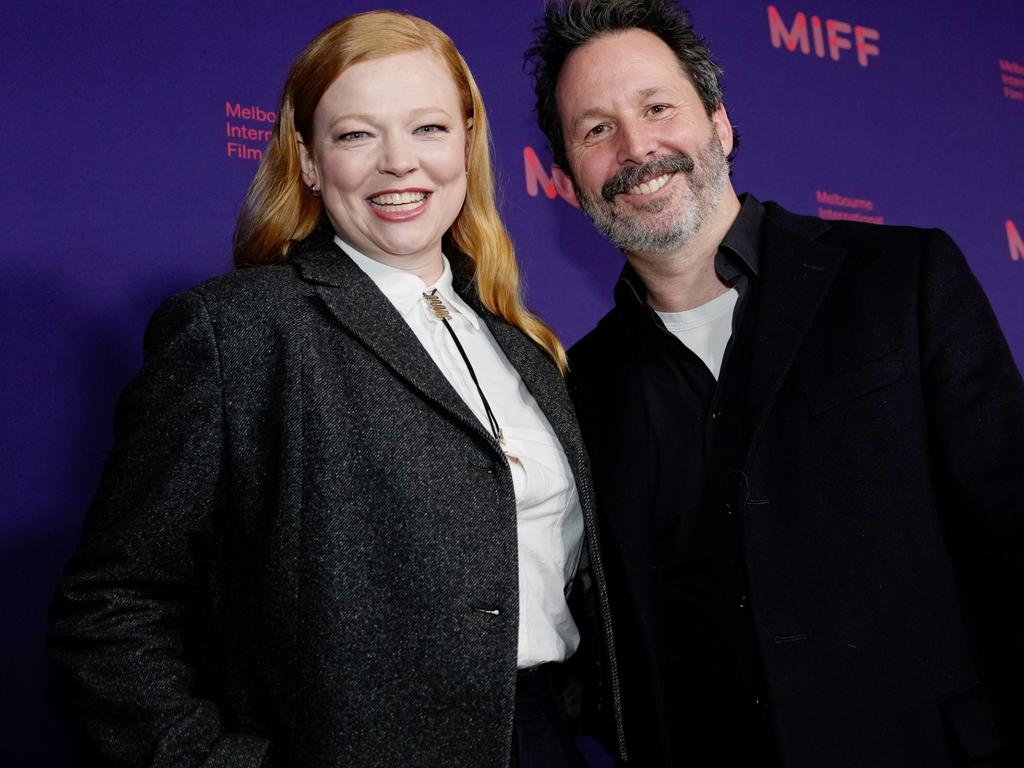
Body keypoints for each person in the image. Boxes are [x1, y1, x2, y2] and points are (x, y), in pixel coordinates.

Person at [49, 11, 625, 768]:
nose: (399, 163)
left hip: (547, 739)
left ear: (467, 144)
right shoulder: (239, 332)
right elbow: (111, 608)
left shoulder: (527, 350)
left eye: (427, 129)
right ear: (311, 162)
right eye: (357, 135)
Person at [526, 1, 1024, 766]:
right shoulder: (577, 388)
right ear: (567, 177)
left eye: (658, 107)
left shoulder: (901, 280)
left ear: (719, 123)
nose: (635, 148)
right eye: (595, 130)